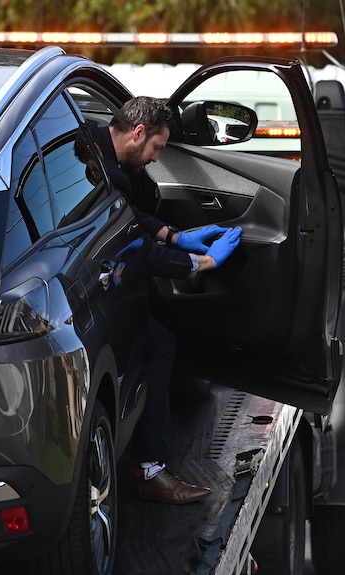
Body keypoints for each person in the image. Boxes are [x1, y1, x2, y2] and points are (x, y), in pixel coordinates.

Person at [81, 96, 241, 504]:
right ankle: (150, 470)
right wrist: (200, 262)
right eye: (157, 148)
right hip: (84, 294)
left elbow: (129, 215)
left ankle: (150, 464)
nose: (155, 159)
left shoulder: (92, 144)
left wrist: (172, 233)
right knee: (155, 342)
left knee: (158, 340)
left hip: (81, 286)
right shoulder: (105, 175)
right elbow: (135, 248)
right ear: (138, 134)